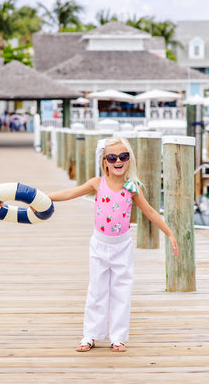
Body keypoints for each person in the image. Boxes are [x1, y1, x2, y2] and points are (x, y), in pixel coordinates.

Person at [48, 137, 179, 352]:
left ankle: (118, 337)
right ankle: (90, 334)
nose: (118, 160)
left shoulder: (132, 188)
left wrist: (169, 233)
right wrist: (42, 198)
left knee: (121, 291)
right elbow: (69, 193)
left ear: (129, 160)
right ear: (105, 160)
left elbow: (150, 212)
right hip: (99, 245)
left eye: (123, 156)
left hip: (122, 246)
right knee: (97, 290)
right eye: (112, 157)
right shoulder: (97, 183)